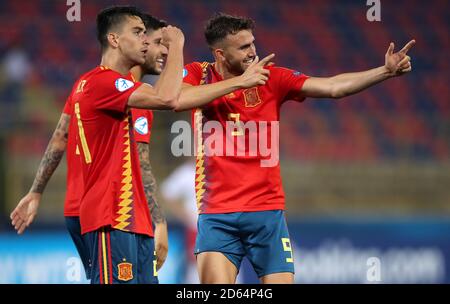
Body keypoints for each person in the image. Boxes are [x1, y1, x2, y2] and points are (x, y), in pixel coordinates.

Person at [179, 13, 415, 284]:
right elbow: (178, 99)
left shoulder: (272, 77)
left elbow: (333, 86)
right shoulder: (198, 73)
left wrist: (384, 71)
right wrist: (239, 83)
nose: (253, 51)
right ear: (220, 53)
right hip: (217, 214)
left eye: (253, 43)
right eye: (243, 47)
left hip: (266, 212)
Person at [10, 9, 175, 283]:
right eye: (149, 39)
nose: (154, 47)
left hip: (98, 211)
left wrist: (35, 192)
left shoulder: (86, 84)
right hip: (109, 214)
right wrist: (160, 222)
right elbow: (169, 101)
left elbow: (60, 137)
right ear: (115, 39)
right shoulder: (114, 87)